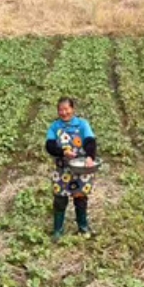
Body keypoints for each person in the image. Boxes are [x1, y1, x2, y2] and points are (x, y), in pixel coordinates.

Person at [45, 97, 97, 242]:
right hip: (62, 170)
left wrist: (90, 157)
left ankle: (83, 227)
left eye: (66, 109)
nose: (64, 112)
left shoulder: (82, 125)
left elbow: (90, 141)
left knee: (80, 198)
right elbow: (49, 146)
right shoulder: (55, 127)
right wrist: (63, 152)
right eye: (61, 109)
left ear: (72, 109)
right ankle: (58, 230)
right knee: (60, 199)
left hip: (81, 170)